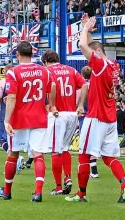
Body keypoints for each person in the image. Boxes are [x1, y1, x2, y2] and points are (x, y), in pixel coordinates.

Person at [66, 14, 125, 203]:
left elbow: (82, 46)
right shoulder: (113, 65)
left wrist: (85, 29)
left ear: (96, 54)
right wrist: (84, 26)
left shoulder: (100, 64)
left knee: (83, 155)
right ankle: (124, 185)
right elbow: (91, 46)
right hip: (110, 118)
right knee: (108, 156)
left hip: (96, 117)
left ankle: (81, 194)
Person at [0, 41, 56, 203]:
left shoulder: (13, 72)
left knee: (13, 153)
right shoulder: (44, 71)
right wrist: (51, 104)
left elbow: (12, 97)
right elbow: (53, 87)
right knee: (38, 154)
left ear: (17, 54)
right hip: (39, 117)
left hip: (19, 119)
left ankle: (7, 191)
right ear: (32, 54)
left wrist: (6, 120)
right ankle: (37, 192)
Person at [41, 50, 86, 195]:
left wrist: (52, 105)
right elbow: (84, 85)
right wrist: (80, 105)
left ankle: (59, 186)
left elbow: (52, 87)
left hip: (57, 114)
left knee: (55, 150)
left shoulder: (47, 71)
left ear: (46, 61)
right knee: (65, 148)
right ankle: (67, 177)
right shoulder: (71, 70)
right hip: (72, 114)